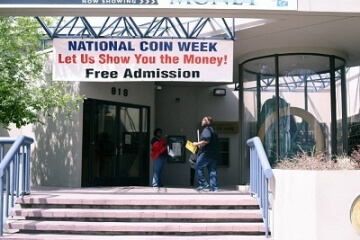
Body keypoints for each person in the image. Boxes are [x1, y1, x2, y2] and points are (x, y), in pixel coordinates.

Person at [192, 116, 219, 192]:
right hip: (214, 154)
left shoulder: (206, 130)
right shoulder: (213, 131)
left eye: (204, 120)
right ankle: (214, 188)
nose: (202, 121)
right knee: (212, 170)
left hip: (206, 153)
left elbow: (206, 141)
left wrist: (197, 143)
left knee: (198, 166)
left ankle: (203, 183)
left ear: (208, 122)